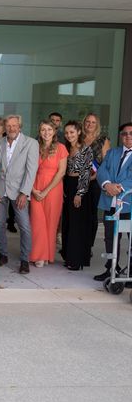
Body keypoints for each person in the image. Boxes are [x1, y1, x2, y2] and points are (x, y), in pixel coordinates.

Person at [0, 115, 39, 274]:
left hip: (19, 191)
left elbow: (31, 170)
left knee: (24, 226)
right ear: (5, 127)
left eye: (14, 125)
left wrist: (24, 193)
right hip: (0, 190)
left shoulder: (31, 143)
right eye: (8, 126)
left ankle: (24, 259)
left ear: (20, 126)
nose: (11, 128)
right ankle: (3, 255)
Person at [93, 122, 132, 281]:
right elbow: (102, 170)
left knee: (131, 240)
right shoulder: (112, 153)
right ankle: (111, 269)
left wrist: (120, 187)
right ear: (121, 136)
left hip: (129, 203)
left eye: (131, 133)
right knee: (110, 237)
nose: (128, 136)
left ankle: (130, 272)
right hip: (111, 202)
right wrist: (107, 185)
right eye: (125, 133)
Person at [28, 120, 68, 267]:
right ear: (39, 131)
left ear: (54, 131)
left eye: (49, 129)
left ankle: (47, 256)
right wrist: (32, 189)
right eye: (43, 129)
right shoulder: (34, 147)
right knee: (37, 222)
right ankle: (39, 255)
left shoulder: (61, 148)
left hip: (53, 189)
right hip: (35, 187)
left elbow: (61, 172)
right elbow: (29, 169)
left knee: (51, 224)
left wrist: (46, 191)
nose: (46, 132)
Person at [61, 121, 93, 271]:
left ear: (79, 132)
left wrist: (79, 193)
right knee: (67, 222)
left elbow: (86, 173)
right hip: (67, 183)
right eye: (66, 133)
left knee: (77, 224)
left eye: (72, 132)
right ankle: (68, 256)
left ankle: (76, 260)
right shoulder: (66, 147)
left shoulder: (86, 150)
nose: (69, 135)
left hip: (78, 185)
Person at [83, 113, 111, 252]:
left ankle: (88, 245)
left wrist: (94, 176)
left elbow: (106, 162)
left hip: (95, 181)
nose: (90, 124)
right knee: (78, 213)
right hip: (78, 180)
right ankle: (77, 243)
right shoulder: (79, 137)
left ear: (97, 125)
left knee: (91, 214)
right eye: (87, 121)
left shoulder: (103, 140)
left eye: (93, 122)